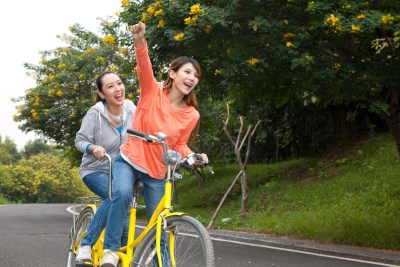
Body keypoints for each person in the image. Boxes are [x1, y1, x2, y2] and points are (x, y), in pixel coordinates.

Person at [99, 21, 209, 267]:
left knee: (160, 221)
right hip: (130, 159)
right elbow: (143, 68)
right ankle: (110, 250)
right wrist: (139, 41)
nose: (191, 78)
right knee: (123, 193)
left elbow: (180, 144)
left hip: (157, 171)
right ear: (173, 73)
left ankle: (165, 264)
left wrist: (194, 155)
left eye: (196, 75)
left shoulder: (192, 114)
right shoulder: (152, 90)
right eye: (187, 72)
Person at [74, 71, 136, 265]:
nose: (118, 89)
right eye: (110, 86)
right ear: (102, 94)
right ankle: (86, 243)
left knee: (123, 207)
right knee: (114, 195)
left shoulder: (131, 108)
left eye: (119, 83)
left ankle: (118, 257)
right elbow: (80, 141)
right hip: (95, 169)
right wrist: (93, 148)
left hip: (122, 170)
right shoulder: (95, 113)